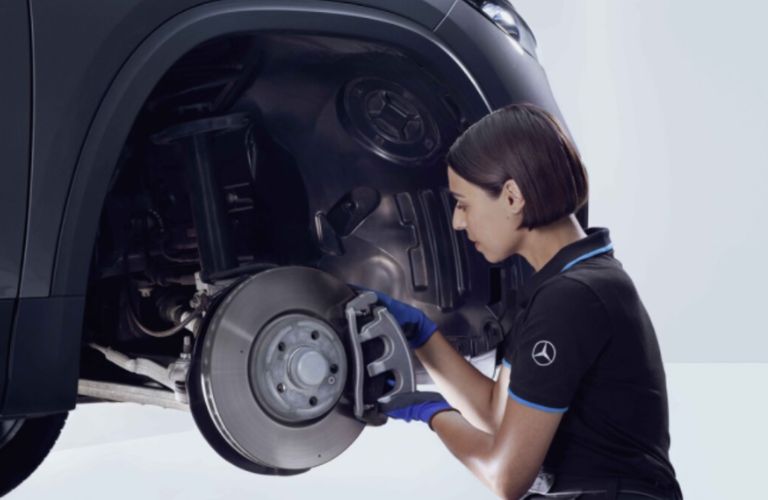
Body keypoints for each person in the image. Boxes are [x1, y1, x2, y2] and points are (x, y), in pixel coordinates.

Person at [364, 104, 683, 499]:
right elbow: (500, 416)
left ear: (512, 196)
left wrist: (431, 412)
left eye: (463, 203)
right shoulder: (563, 285)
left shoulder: (572, 298)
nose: (457, 223)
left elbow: (505, 477)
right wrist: (421, 335)